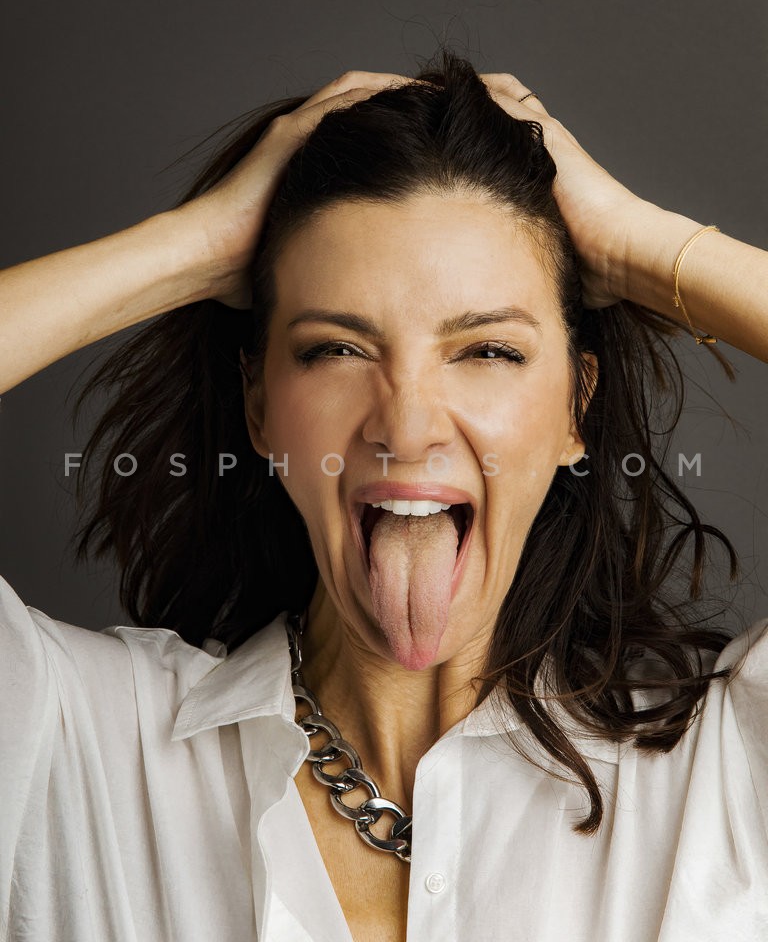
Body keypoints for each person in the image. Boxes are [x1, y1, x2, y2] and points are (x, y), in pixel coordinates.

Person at [0, 50, 766, 942]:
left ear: (575, 409)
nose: (406, 428)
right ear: (259, 407)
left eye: (488, 351)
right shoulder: (73, 742)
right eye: (336, 349)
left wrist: (640, 248)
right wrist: (196, 245)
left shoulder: (723, 772)